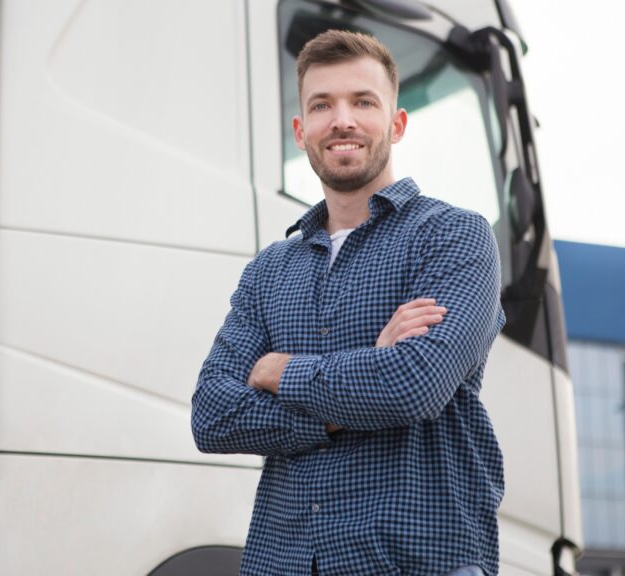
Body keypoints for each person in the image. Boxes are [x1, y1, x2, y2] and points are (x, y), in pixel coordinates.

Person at [191, 29, 506, 576]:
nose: (343, 120)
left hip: (418, 563)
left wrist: (279, 371)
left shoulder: (454, 237)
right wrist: (355, 391)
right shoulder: (269, 270)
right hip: (286, 563)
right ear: (300, 130)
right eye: (322, 105)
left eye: (363, 102)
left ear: (397, 123)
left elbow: (415, 384)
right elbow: (213, 416)